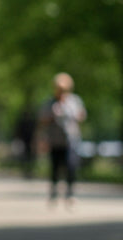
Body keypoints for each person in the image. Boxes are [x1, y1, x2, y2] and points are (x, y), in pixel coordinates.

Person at [37, 73, 87, 203]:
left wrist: (71, 113)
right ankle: (54, 191)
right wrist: (52, 116)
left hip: (71, 139)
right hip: (54, 139)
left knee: (71, 165)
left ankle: (70, 193)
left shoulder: (74, 101)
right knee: (55, 166)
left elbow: (82, 115)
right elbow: (42, 120)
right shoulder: (50, 102)